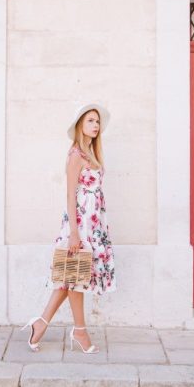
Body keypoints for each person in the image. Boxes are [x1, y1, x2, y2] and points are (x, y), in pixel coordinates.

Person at [21, 103, 117, 354]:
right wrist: (74, 233)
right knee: (75, 279)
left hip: (92, 225)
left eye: (97, 121)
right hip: (80, 224)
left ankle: (41, 324)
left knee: (71, 278)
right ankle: (80, 331)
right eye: (90, 121)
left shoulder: (91, 154)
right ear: (79, 125)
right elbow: (70, 196)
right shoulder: (75, 155)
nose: (95, 125)